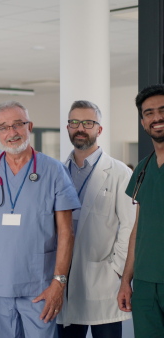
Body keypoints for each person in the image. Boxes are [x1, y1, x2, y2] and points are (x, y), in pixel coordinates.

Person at [0, 101, 80, 338]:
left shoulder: (53, 171)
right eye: (4, 127)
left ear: (29, 126)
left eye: (18, 125)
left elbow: (66, 232)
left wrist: (59, 283)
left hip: (40, 287)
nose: (12, 133)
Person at [57, 101, 134, 337]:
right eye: (74, 122)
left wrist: (117, 269)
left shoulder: (120, 172)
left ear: (99, 130)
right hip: (64, 280)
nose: (80, 128)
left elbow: (130, 226)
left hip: (104, 280)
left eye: (88, 123)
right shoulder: (58, 171)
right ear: (68, 128)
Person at [118, 84, 164, 337]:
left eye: (162, 110)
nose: (156, 117)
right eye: (149, 113)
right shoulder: (143, 168)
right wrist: (127, 280)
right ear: (143, 121)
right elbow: (139, 226)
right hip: (145, 285)